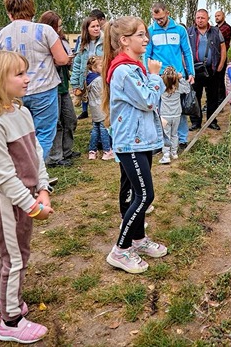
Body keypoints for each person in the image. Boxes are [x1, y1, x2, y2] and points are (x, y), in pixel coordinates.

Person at [0, 50, 53, 344]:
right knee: (15, 258)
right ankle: (11, 321)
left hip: (26, 195)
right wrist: (32, 207)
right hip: (6, 201)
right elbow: (4, 177)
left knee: (14, 251)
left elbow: (36, 153)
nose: (27, 79)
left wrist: (42, 187)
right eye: (19, 74)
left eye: (25, 72)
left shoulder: (21, 112)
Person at [103, 16, 168, 273]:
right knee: (144, 195)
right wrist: (155, 77)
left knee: (134, 192)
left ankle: (138, 240)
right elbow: (148, 100)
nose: (146, 39)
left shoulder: (133, 67)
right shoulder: (124, 70)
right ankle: (120, 250)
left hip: (140, 141)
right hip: (130, 143)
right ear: (124, 41)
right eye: (141, 35)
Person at [0, 0, 69, 160]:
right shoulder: (44, 30)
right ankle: (35, 172)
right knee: (43, 133)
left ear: (9, 12)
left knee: (18, 134)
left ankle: (19, 170)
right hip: (43, 88)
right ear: (32, 9)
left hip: (14, 90)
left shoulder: (1, 34)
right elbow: (62, 59)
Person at [145, 2, 195, 148]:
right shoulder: (151, 31)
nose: (158, 21)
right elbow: (146, 55)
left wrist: (190, 72)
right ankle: (161, 140)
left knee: (179, 108)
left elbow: (187, 52)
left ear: (167, 13)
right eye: (155, 19)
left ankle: (182, 139)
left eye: (160, 18)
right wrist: (148, 73)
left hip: (177, 76)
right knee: (159, 109)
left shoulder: (180, 30)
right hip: (159, 76)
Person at [39, 11, 79, 168]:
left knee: (70, 119)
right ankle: (55, 157)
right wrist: (60, 62)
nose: (60, 28)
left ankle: (66, 150)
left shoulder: (60, 40)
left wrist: (68, 62)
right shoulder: (44, 41)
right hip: (51, 85)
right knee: (56, 123)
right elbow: (44, 64)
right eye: (58, 25)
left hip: (63, 86)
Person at [187, 9, 226, 131]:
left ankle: (212, 121)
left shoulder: (215, 31)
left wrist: (221, 64)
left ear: (207, 18)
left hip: (212, 69)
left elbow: (223, 48)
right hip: (195, 70)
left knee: (212, 97)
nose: (200, 20)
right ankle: (196, 122)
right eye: (198, 18)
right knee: (195, 97)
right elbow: (184, 50)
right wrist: (187, 68)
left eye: (202, 18)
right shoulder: (189, 32)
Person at [71, 16, 104, 120]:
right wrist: (75, 84)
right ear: (87, 29)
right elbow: (77, 64)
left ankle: (102, 128)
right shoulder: (83, 43)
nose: (96, 28)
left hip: (101, 79)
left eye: (98, 26)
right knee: (94, 107)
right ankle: (97, 127)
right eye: (93, 26)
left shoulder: (104, 40)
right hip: (88, 80)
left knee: (102, 108)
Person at [159, 66, 190, 165]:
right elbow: (187, 89)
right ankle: (174, 152)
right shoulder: (178, 88)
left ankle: (166, 155)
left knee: (166, 135)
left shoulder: (162, 88)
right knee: (174, 134)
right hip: (176, 114)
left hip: (165, 115)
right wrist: (181, 79)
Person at [86, 55, 114, 160]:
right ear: (94, 68)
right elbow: (104, 93)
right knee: (104, 128)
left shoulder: (89, 79)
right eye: (101, 66)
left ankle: (92, 150)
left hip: (94, 108)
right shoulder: (98, 80)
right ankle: (107, 150)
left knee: (95, 129)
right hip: (101, 106)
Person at [215, 10, 231, 105]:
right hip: (214, 57)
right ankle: (216, 100)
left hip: (222, 56)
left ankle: (221, 101)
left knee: (220, 79)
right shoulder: (215, 28)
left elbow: (216, 37)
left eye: (218, 15)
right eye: (215, 16)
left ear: (223, 16)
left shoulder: (226, 28)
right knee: (214, 80)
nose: (217, 17)